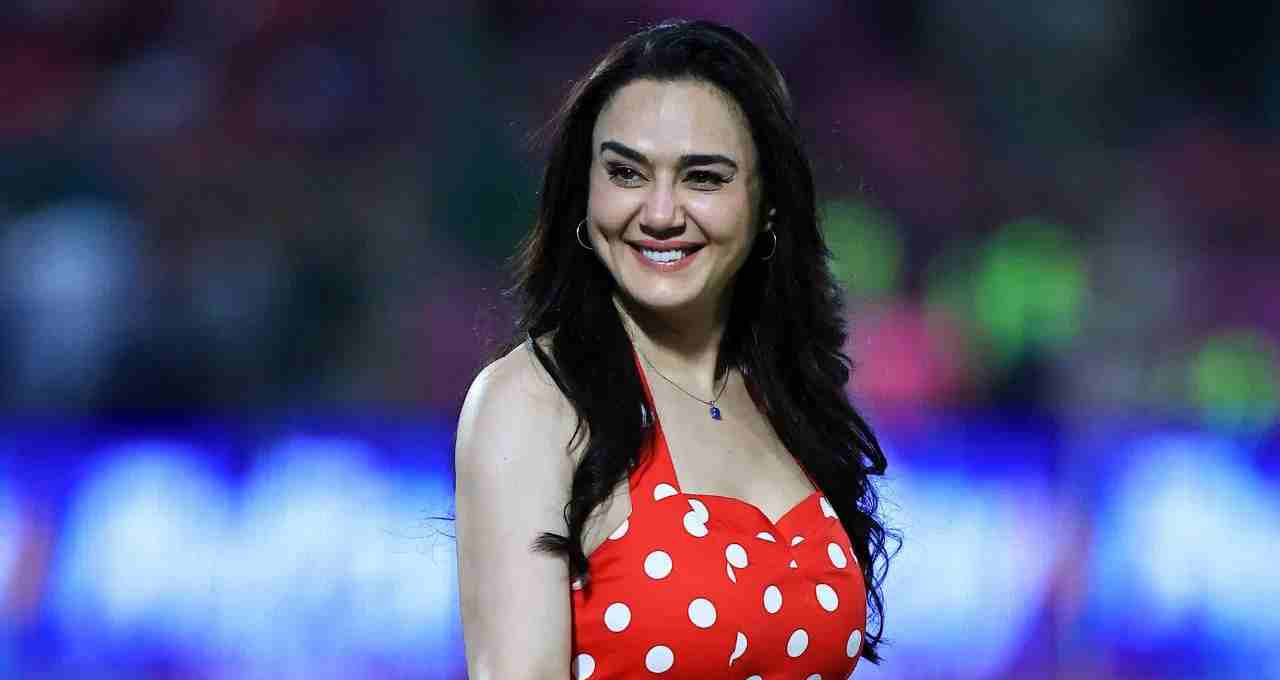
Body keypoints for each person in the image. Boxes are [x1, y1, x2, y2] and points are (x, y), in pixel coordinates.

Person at [454, 19, 893, 679]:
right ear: (584, 192)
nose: (660, 213)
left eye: (703, 178)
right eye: (626, 173)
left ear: (768, 206)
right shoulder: (533, 400)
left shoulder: (784, 397)